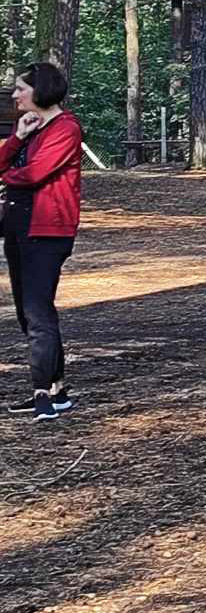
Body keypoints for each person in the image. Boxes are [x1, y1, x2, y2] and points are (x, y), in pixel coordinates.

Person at [3, 64, 83, 423]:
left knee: (38, 312)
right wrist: (18, 137)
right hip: (18, 227)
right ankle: (56, 390)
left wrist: (6, 176)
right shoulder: (31, 127)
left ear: (41, 90)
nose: (15, 95)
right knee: (29, 312)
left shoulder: (66, 129)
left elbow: (35, 173)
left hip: (47, 231)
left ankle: (42, 395)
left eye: (20, 88)